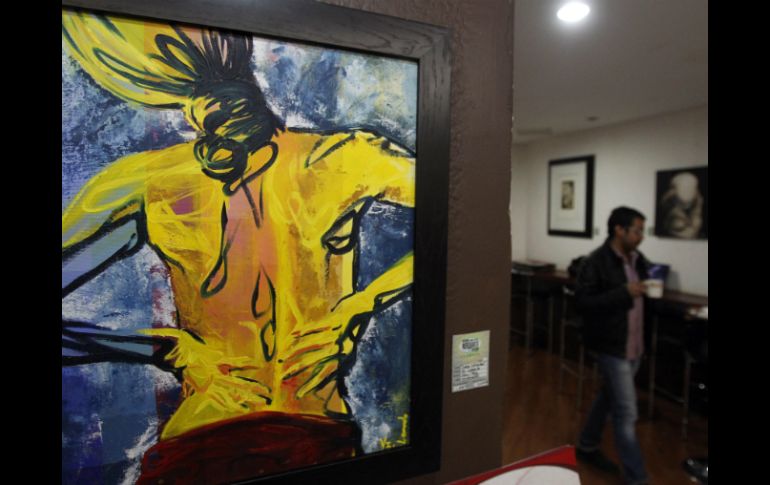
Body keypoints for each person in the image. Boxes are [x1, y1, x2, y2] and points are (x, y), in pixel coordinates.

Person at [61, 10, 415, 483]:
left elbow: (451, 209)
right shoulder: (147, 183)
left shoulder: (344, 158)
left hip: (301, 436)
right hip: (219, 440)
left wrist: (362, 303)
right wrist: (165, 349)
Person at [573, 206, 651, 485]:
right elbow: (583, 303)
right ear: (619, 230)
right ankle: (636, 478)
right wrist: (623, 293)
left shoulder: (638, 260)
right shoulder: (596, 261)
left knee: (608, 397)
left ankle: (586, 445)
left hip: (634, 345)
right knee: (626, 412)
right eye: (637, 230)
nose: (641, 236)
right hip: (611, 347)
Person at [658, 171, 704, 238]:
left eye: (690, 188)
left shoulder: (698, 199)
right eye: (685, 188)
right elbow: (690, 234)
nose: (687, 191)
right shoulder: (670, 206)